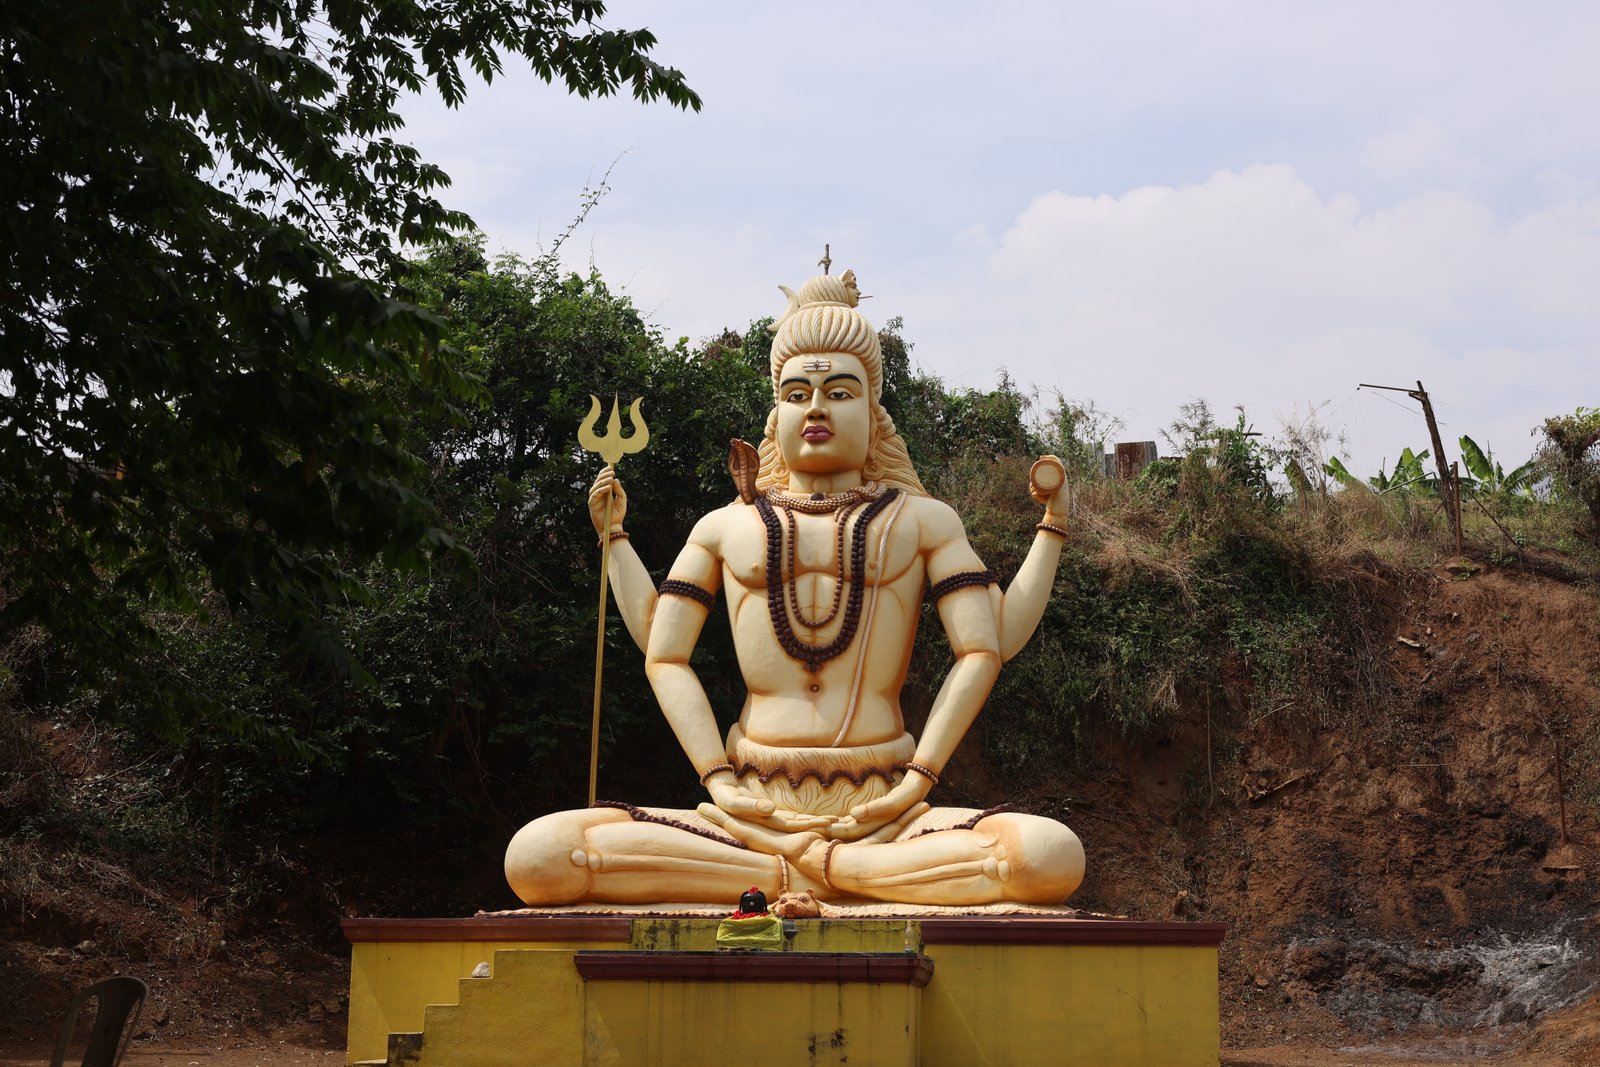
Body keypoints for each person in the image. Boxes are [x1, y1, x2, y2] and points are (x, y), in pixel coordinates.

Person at [505, 269, 1084, 906]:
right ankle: (820, 871)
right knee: (541, 858)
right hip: (749, 810)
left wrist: (918, 782)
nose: (815, 408)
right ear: (775, 409)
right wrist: (616, 540)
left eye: (839, 392)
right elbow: (661, 647)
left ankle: (819, 871)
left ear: (874, 412)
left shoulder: (921, 520)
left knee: (1046, 857)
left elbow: (985, 645)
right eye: (796, 391)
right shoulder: (724, 527)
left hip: (887, 807)